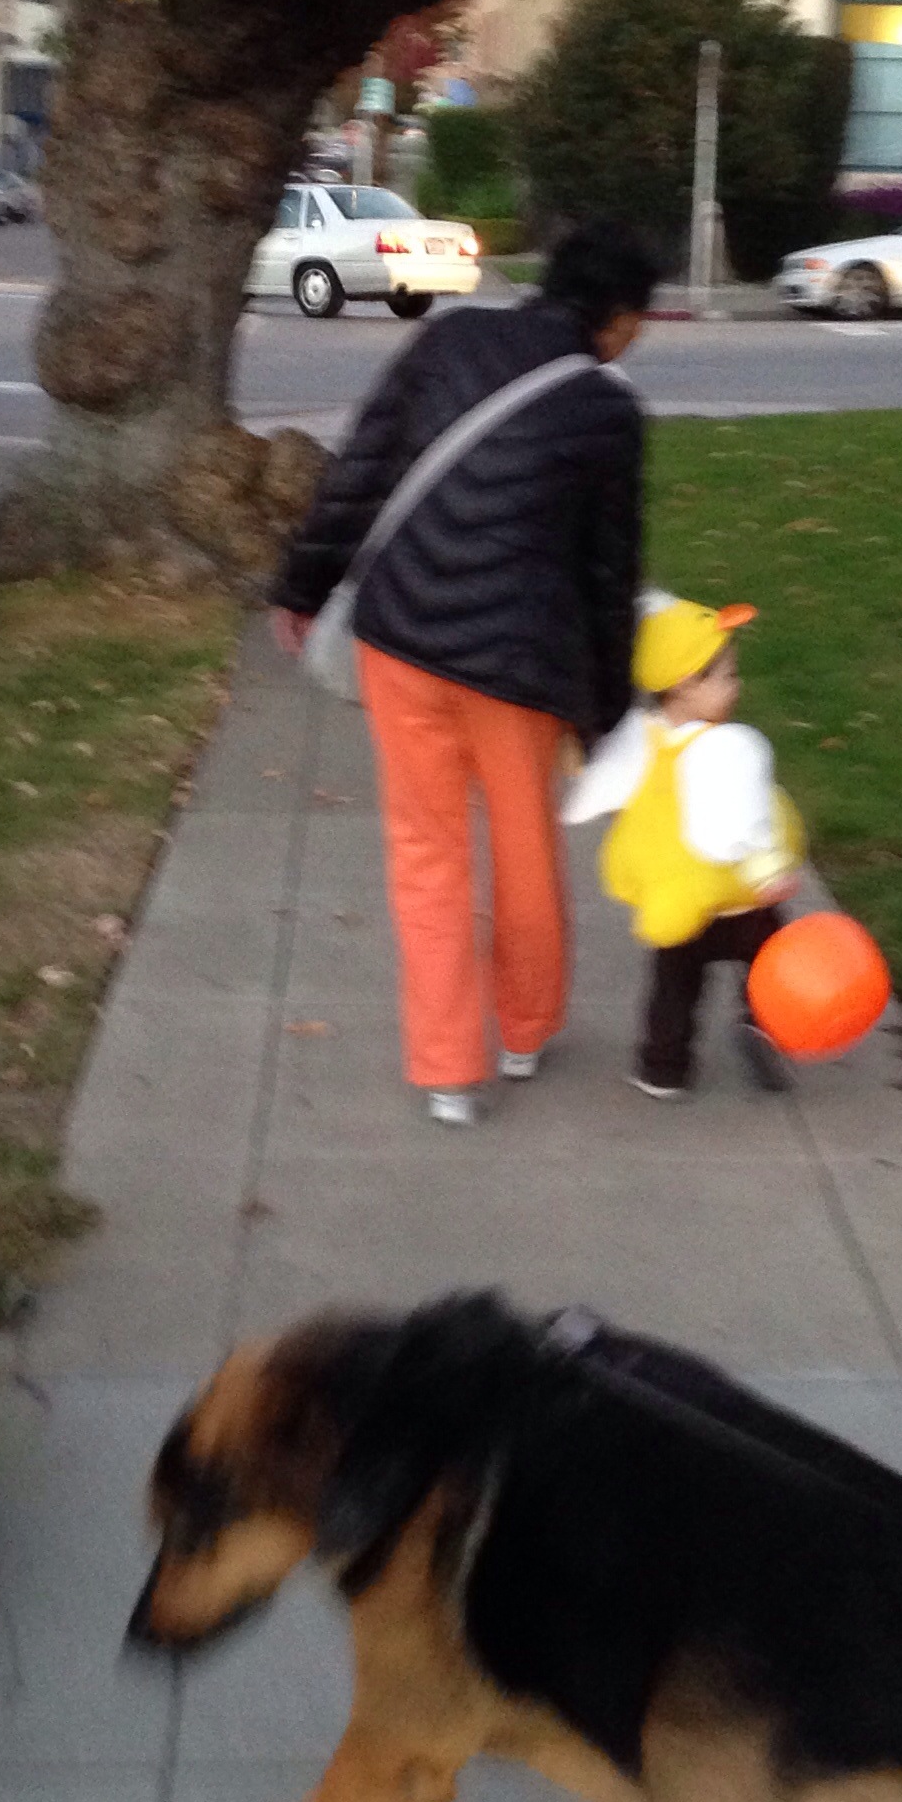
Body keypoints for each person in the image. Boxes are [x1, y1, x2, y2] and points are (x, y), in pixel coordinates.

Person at [270, 222, 658, 1125]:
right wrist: (607, 710)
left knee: (425, 853)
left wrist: (301, 585)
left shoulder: (448, 339)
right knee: (526, 849)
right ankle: (524, 1029)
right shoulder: (607, 412)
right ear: (619, 318)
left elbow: (362, 471)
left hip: (402, 637)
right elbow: (609, 576)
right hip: (517, 666)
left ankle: (447, 1071)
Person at [562, 593, 805, 1100]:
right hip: (735, 896)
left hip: (674, 899)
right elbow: (745, 819)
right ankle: (764, 1024)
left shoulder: (641, 737)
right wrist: (768, 874)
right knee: (773, 956)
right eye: (726, 677)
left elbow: (599, 775)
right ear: (684, 685)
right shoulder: (725, 747)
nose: (737, 686)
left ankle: (662, 1068)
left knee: (674, 984)